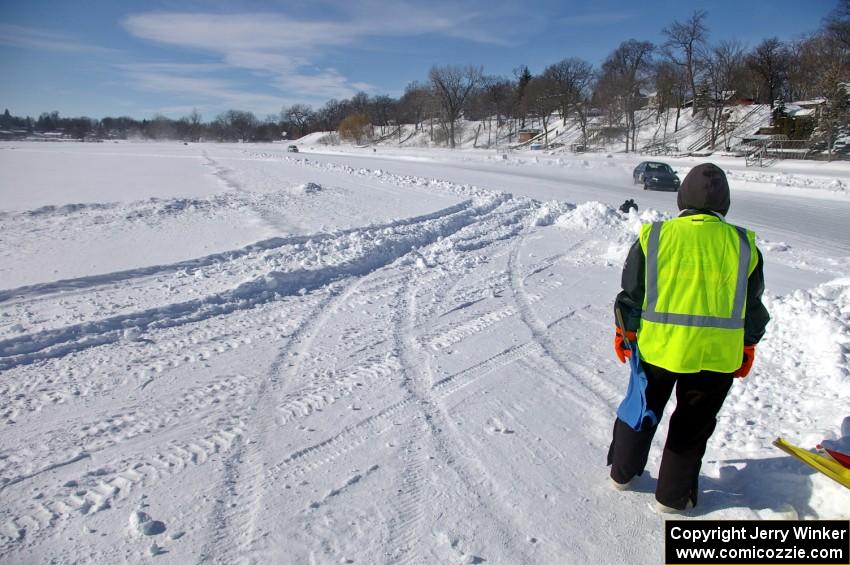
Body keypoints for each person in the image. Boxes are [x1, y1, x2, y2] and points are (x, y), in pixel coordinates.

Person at [607, 163, 770, 513]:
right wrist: (748, 344)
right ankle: (672, 497)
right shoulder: (743, 244)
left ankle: (622, 474)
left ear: (682, 198)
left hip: (657, 350)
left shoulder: (656, 236)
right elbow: (752, 307)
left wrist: (625, 332)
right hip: (716, 357)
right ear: (724, 203)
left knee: (641, 408)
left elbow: (632, 293)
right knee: (692, 426)